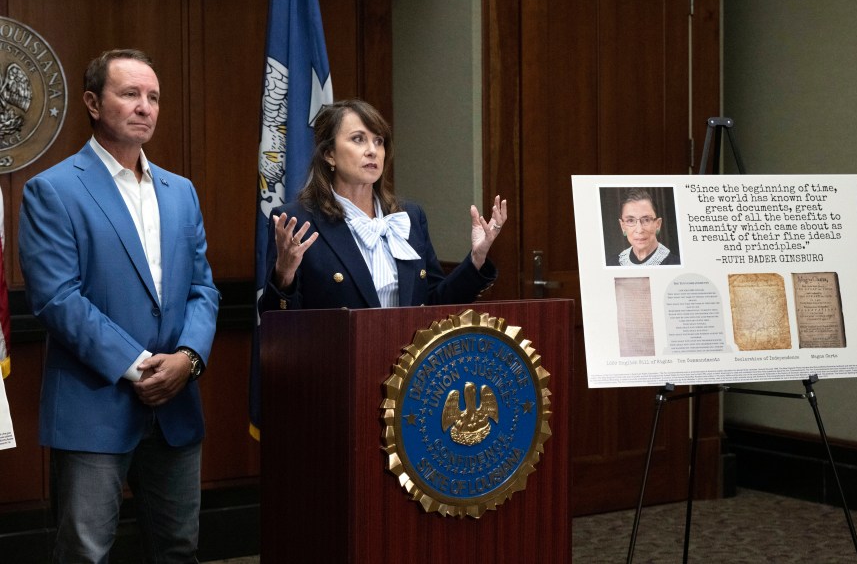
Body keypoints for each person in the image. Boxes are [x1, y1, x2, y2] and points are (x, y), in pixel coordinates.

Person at [18, 48, 219, 563]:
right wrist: (139, 367)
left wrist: (189, 359)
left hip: (176, 402)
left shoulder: (182, 192)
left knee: (178, 548)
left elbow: (203, 289)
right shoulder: (53, 190)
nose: (145, 107)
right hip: (94, 402)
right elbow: (57, 298)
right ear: (92, 101)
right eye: (129, 94)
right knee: (86, 552)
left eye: (153, 97)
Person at [258, 98, 506, 314]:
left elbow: (434, 304)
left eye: (379, 141)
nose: (372, 151)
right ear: (329, 154)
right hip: (339, 365)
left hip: (408, 365)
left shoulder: (409, 216)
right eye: (358, 139)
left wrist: (476, 259)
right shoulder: (296, 220)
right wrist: (284, 274)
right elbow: (276, 324)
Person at [609, 188, 680, 266]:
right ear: (623, 226)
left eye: (646, 220)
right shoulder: (612, 264)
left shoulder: (676, 263)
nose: (639, 230)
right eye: (630, 220)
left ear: (658, 224)